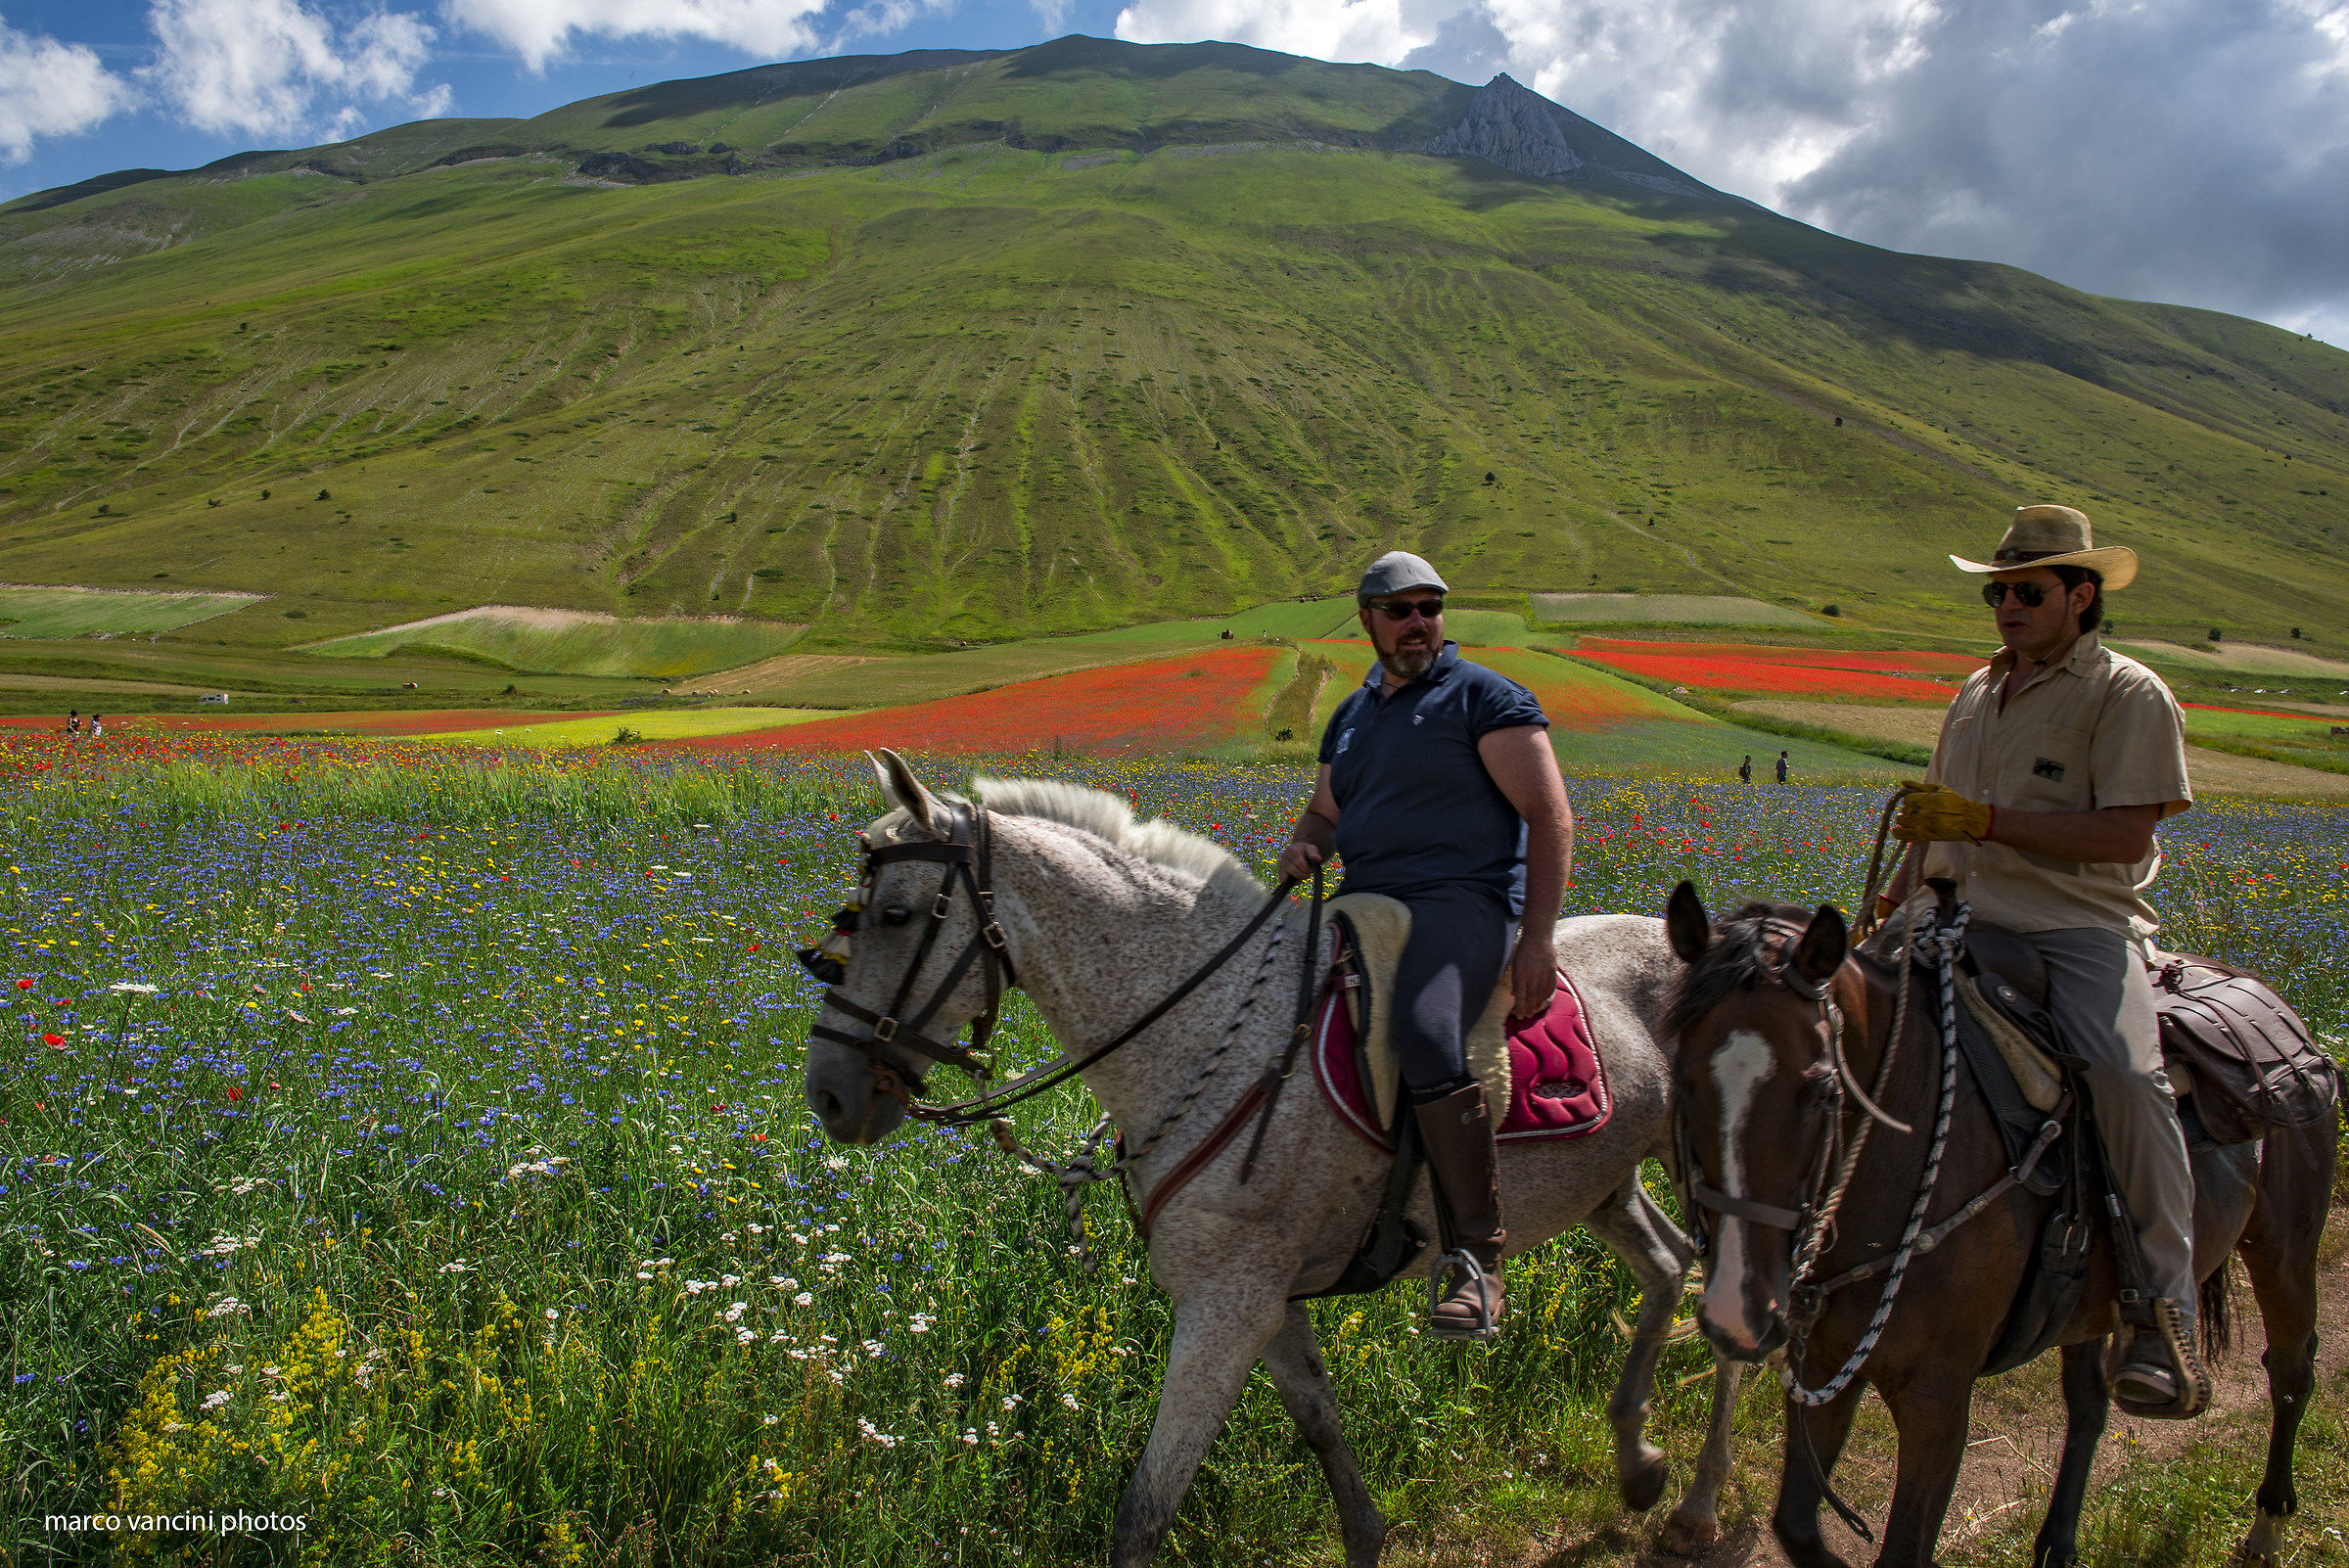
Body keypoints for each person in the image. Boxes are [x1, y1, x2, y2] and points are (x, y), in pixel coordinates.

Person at [1881, 503, 2204, 1416]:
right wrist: (1894, 901)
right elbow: (1935, 814)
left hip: (2071, 928)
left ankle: (2163, 1307)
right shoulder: (1975, 693)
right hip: (1946, 914)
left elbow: (2125, 834)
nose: (2008, 607)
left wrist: (1986, 823)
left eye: (2028, 592)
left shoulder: (2127, 693)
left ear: (2081, 596)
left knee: (2125, 1077)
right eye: (1998, 593)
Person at [1278, 551, 1574, 1338]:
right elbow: (1326, 814)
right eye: (1400, 609)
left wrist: (1537, 938)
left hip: (1462, 899)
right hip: (1367, 900)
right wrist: (1306, 844)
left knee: (1423, 1030)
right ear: (1367, 619)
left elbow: (1548, 813)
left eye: (1430, 607)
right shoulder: (1351, 715)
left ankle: (1477, 1258)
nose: (1418, 622)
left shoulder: (1485, 697)